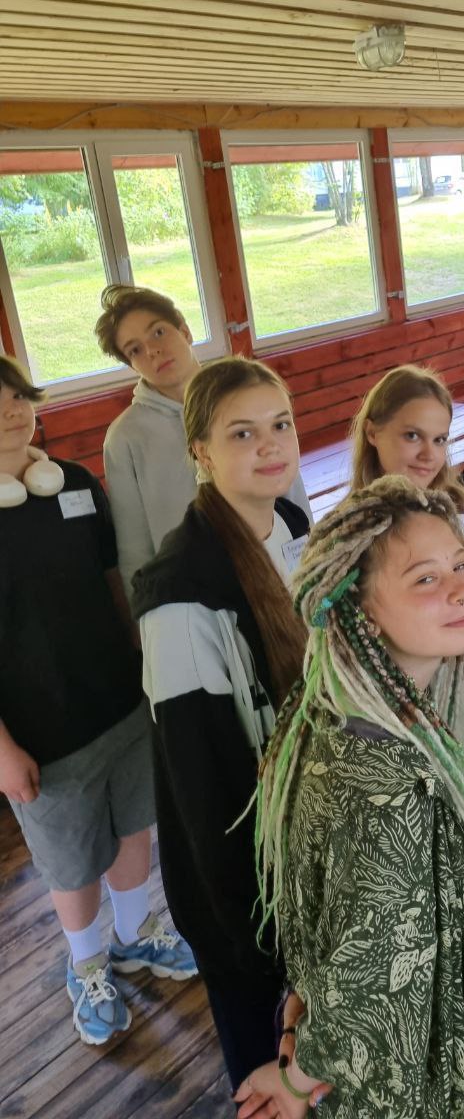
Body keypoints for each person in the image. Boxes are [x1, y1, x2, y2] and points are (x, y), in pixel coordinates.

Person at [233, 476, 464, 1119]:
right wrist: (296, 1079)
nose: (462, 588)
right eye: (424, 579)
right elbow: (370, 989)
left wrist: (300, 1019)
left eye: (459, 564)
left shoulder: (324, 713)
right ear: (362, 612)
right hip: (411, 1087)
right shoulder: (393, 786)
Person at [0, 355, 195, 1047]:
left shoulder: (75, 484)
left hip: (118, 701)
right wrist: (3, 751)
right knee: (71, 859)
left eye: (17, 396)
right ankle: (85, 965)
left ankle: (136, 931)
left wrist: (146, 668)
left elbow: (114, 581)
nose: (11, 411)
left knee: (133, 826)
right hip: (41, 734)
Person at [133, 357, 310, 1091]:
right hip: (239, 877)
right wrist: (250, 927)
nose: (270, 445)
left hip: (303, 832)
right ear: (200, 452)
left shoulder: (291, 524)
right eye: (242, 433)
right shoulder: (178, 591)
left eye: (280, 425)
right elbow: (201, 781)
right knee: (266, 1065)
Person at [96, 283, 312, 596]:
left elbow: (290, 489)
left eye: (158, 332)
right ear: (131, 365)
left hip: (275, 567)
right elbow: (134, 545)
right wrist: (143, 612)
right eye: (135, 350)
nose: (153, 350)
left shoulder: (242, 396)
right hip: (193, 589)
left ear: (184, 331)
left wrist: (312, 565)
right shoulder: (125, 438)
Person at [346, 364, 464, 783]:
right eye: (412, 436)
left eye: (440, 439)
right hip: (391, 732)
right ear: (373, 432)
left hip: (463, 721)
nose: (429, 454)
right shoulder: (354, 529)